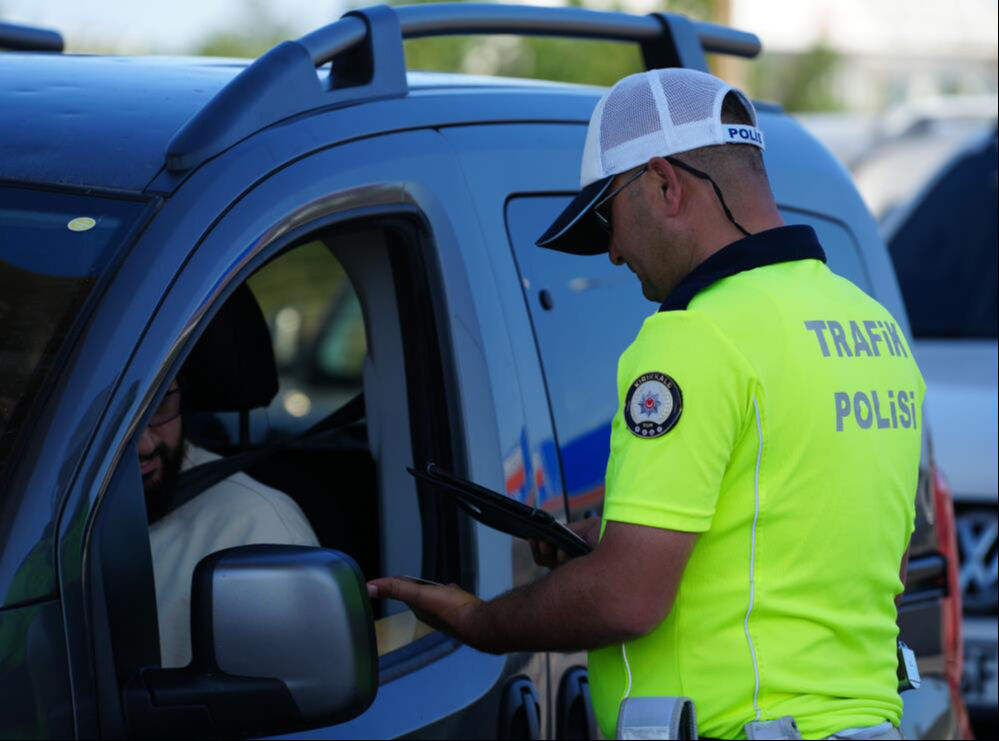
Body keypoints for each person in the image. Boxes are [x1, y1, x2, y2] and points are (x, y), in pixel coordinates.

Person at [369, 68, 924, 741]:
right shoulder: (869, 327)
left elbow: (627, 599)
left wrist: (481, 622)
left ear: (664, 184)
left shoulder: (692, 337)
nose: (610, 249)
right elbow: (858, 557)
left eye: (607, 215)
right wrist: (633, 544)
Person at [141, 379, 319, 668]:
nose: (144, 444)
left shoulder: (260, 528)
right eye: (107, 417)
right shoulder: (48, 515)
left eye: (159, 403)